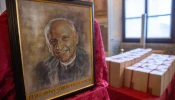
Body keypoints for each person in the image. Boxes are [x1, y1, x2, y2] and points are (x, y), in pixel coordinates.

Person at [34, 18, 90, 91]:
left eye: (65, 38)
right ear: (49, 46)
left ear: (76, 38)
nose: (59, 46)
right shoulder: (42, 68)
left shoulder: (89, 61)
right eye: (53, 41)